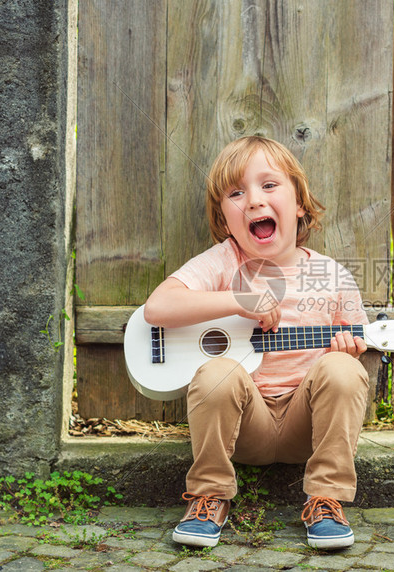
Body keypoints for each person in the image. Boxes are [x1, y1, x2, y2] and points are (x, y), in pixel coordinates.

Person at [143, 135, 370, 550]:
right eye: (236, 192)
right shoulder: (225, 260)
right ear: (225, 219)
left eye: (269, 185)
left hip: (307, 423)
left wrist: (346, 353)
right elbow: (158, 308)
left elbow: (354, 341)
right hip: (245, 425)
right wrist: (239, 300)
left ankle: (326, 498)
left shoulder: (331, 276)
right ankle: (209, 495)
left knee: (344, 369)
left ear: (298, 203)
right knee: (217, 372)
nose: (253, 200)